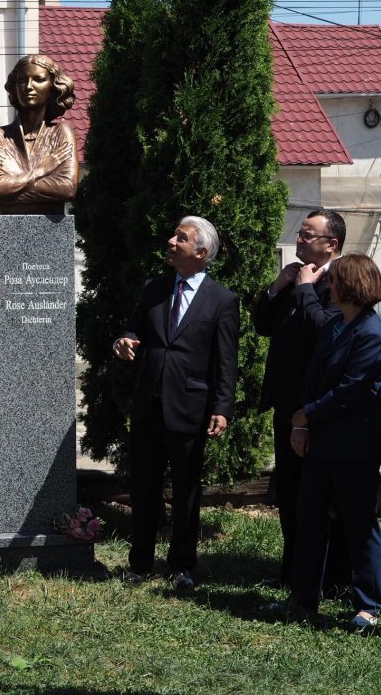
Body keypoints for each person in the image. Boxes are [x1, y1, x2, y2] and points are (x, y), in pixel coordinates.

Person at [113, 216, 238, 591]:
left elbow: (226, 361)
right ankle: (140, 563)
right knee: (144, 489)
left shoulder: (222, 300)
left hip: (190, 408)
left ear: (201, 252)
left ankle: (183, 565)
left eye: (180, 238)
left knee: (186, 492)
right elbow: (133, 329)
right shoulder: (154, 289)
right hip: (149, 405)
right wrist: (123, 341)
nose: (170, 241)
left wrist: (222, 407)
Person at [288, 254, 381, 628]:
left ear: (351, 286)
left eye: (333, 281)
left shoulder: (371, 334)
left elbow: (350, 392)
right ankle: (304, 599)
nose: (328, 287)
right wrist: (303, 421)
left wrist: (306, 414)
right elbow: (314, 377)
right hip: (323, 444)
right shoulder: (336, 325)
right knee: (310, 520)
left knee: (359, 525)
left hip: (354, 448)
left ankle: (369, 605)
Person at [252, 208, 349, 591]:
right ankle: (291, 572)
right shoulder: (296, 277)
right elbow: (263, 326)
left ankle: (326, 577)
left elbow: (325, 333)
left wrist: (307, 288)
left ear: (332, 244)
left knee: (318, 498)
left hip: (318, 407)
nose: (300, 239)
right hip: (286, 403)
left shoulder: (341, 281)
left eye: (309, 235)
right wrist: (278, 287)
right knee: (289, 493)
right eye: (301, 232)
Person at [0, 53, 78, 214]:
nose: (28, 86)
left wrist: (11, 189)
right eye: (22, 80)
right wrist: (41, 172)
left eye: (38, 79)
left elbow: (67, 188)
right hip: (8, 224)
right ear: (14, 87)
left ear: (52, 87)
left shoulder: (61, 132)